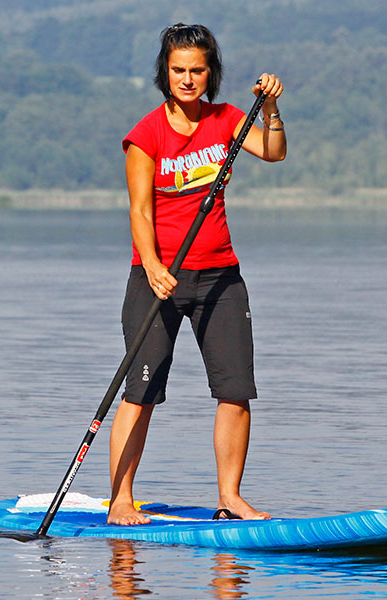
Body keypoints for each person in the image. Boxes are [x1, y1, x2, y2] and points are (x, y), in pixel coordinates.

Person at [109, 23, 286, 526]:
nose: (188, 79)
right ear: (165, 74)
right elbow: (140, 213)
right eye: (178, 70)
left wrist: (270, 108)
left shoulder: (228, 119)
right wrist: (154, 266)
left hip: (221, 278)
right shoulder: (147, 134)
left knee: (236, 390)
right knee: (141, 393)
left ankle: (230, 497)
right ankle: (122, 498)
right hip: (157, 279)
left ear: (211, 73)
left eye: (197, 70)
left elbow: (274, 152)